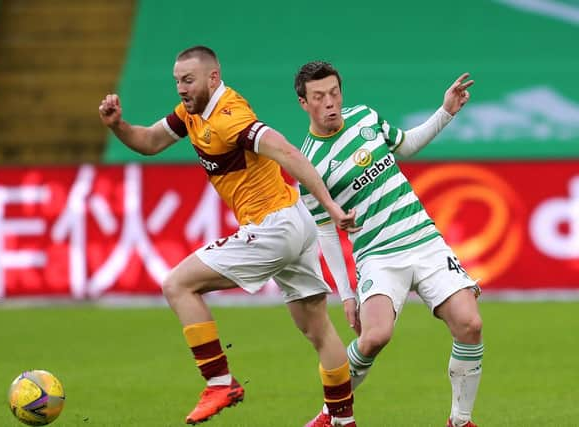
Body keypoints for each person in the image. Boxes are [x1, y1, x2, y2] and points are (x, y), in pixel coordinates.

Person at [99, 46, 360, 426]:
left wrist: (332, 208)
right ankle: (342, 419)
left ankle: (220, 383)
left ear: (213, 78)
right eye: (177, 81)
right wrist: (117, 125)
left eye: (188, 80)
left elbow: (288, 152)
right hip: (293, 222)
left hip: (275, 227)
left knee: (177, 285)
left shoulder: (229, 117)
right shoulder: (191, 113)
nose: (181, 88)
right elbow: (151, 142)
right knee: (316, 326)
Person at [294, 61, 483, 427]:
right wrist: (347, 295)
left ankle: (460, 421)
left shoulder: (365, 117)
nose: (330, 103)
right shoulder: (309, 164)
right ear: (304, 103)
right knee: (374, 337)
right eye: (319, 97)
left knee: (470, 324)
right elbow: (327, 231)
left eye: (334, 93)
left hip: (424, 241)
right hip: (378, 256)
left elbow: (406, 145)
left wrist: (445, 112)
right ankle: (329, 414)